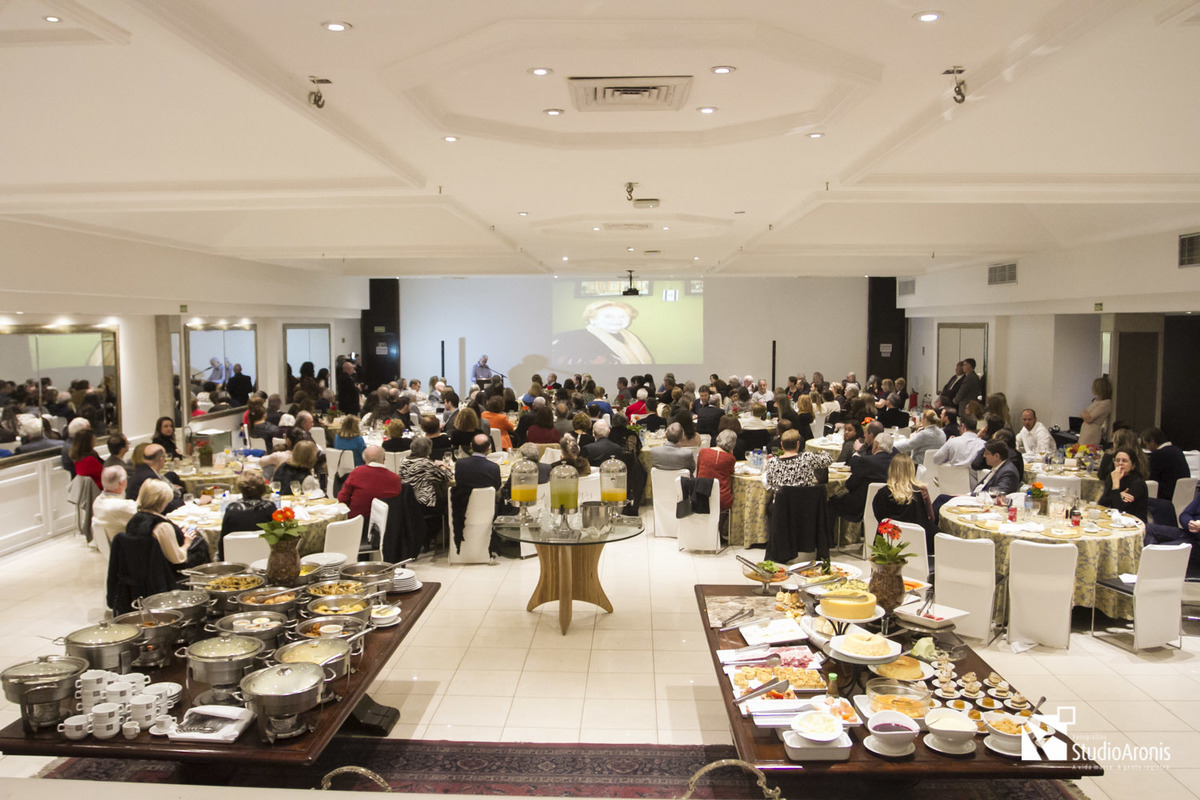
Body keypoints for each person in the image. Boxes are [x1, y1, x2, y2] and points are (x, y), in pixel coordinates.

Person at [551, 300, 654, 367]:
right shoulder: (573, 339)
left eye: (623, 316)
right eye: (609, 316)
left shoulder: (630, 337)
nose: (617, 320)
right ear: (592, 319)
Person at [338, 445, 403, 539]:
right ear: (384, 458)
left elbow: (342, 498)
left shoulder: (357, 472)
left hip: (358, 526)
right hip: (387, 529)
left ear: (364, 459)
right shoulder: (395, 479)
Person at [872, 453, 936, 548]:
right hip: (918, 542)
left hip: (888, 542)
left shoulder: (882, 493)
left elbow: (880, 518)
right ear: (912, 470)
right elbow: (931, 518)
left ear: (892, 469)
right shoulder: (920, 491)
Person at [831, 432, 894, 523]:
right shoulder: (895, 463)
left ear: (875, 445)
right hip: (886, 505)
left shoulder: (867, 460)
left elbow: (851, 484)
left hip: (861, 505)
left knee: (832, 500)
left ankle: (833, 535)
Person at [218, 473, 276, 559]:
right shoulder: (270, 507)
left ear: (241, 489)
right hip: (266, 559)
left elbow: (222, 543)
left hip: (235, 561)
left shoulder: (232, 509)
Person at [764, 429, 831, 491]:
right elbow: (828, 460)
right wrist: (821, 452)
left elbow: (770, 482)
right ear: (798, 444)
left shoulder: (772, 462)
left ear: (781, 444)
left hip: (782, 502)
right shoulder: (807, 457)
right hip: (806, 502)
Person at [398, 436, 452, 512]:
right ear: (428, 451)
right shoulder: (426, 464)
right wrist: (442, 466)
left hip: (408, 502)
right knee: (451, 498)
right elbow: (448, 476)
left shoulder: (404, 461)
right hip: (425, 503)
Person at [126, 444, 182, 512]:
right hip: (144, 515)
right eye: (165, 456)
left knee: (171, 475)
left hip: (140, 511)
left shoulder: (143, 469)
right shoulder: (150, 478)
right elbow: (167, 506)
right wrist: (189, 502)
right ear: (161, 459)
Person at [697, 429, 738, 521]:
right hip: (721, 498)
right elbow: (731, 472)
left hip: (701, 493)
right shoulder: (730, 458)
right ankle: (719, 530)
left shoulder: (703, 452)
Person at [1099, 447, 1149, 522]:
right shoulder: (1113, 476)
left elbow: (1119, 508)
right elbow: (1102, 503)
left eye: (1124, 461)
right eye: (1117, 460)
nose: (1120, 463)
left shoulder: (1138, 483)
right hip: (1115, 521)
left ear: (1133, 466)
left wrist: (1116, 485)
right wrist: (1118, 495)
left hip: (1134, 523)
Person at [92, 465, 138, 544]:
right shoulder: (121, 506)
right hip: (124, 549)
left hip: (112, 547)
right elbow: (146, 515)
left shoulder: (97, 501)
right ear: (122, 483)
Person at [1143, 427, 1191, 501]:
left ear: (1152, 441)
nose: (1147, 448)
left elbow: (1153, 481)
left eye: (1146, 444)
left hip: (1165, 498)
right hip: (1182, 496)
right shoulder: (1177, 450)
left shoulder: (1157, 455)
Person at [1078, 376, 1112, 447]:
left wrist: (1085, 415)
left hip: (1092, 432)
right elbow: (1083, 413)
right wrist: (1085, 415)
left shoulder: (1105, 403)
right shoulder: (1096, 401)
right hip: (1085, 430)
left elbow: (1089, 418)